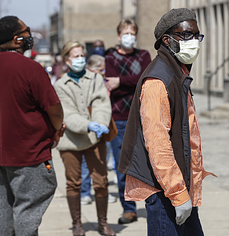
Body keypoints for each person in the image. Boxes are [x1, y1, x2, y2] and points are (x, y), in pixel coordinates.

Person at [118, 8, 216, 236]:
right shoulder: (158, 80)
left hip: (179, 187)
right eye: (186, 35)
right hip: (165, 193)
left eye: (196, 35)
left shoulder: (177, 72)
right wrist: (178, 194)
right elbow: (158, 144)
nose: (194, 42)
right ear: (167, 40)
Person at [0, 15, 65, 236]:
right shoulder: (31, 68)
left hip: (3, 154)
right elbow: (55, 109)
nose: (30, 35)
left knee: (6, 208)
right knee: (27, 212)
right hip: (30, 153)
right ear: (17, 38)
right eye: (26, 31)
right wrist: (58, 128)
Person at [54, 41, 116, 236]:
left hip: (95, 139)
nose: (80, 59)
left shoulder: (96, 78)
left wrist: (100, 122)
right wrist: (87, 125)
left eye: (82, 55)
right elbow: (67, 113)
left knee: (101, 181)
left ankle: (103, 223)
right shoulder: (60, 85)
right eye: (75, 56)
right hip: (70, 141)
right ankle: (77, 224)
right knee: (73, 182)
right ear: (67, 60)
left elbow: (101, 103)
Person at [104, 18, 152, 224]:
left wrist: (122, 82)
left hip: (143, 117)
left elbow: (146, 78)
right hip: (120, 119)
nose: (129, 37)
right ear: (118, 36)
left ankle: (152, 203)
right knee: (122, 166)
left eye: (132, 33)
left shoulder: (143, 55)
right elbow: (111, 83)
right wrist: (134, 82)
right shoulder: (111, 58)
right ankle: (129, 208)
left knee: (148, 164)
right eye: (125, 33)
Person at [80, 54, 117, 206]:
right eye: (101, 70)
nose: (104, 73)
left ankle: (102, 191)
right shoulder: (84, 82)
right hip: (89, 125)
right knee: (85, 162)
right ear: (92, 69)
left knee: (102, 160)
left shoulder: (104, 82)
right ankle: (85, 192)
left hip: (104, 125)